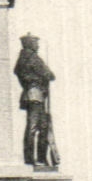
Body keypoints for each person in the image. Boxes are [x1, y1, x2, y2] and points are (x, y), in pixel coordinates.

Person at [14, 33, 59, 168]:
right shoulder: (33, 58)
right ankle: (39, 159)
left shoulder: (22, 59)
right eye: (35, 42)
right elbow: (50, 75)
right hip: (36, 95)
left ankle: (33, 158)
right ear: (30, 43)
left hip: (31, 94)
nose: (38, 45)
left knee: (35, 127)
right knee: (38, 128)